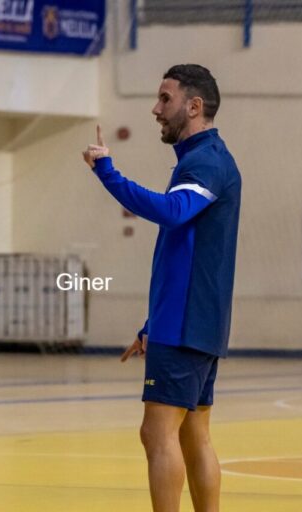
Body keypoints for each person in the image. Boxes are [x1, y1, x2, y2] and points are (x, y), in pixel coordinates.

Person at [82, 64, 240, 512]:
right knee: (193, 434)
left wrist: (108, 172)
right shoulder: (201, 160)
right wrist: (153, 322)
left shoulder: (207, 161)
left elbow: (171, 212)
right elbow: (183, 253)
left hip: (187, 321)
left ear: (194, 106)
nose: (156, 108)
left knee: (156, 432)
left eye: (165, 99)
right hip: (191, 320)